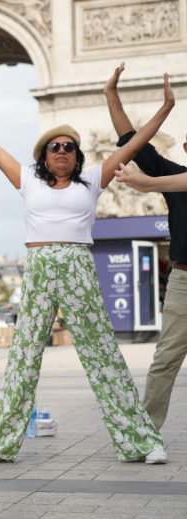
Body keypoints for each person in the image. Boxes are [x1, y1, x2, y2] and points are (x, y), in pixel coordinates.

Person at [0, 67, 172, 465]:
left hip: (76, 264)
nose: (61, 151)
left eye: (68, 146)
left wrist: (166, 107)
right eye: (54, 146)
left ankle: (141, 442)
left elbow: (136, 142)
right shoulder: (27, 180)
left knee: (102, 352)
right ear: (44, 154)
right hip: (37, 266)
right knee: (23, 356)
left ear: (77, 155)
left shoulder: (92, 180)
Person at [104, 63, 187, 430]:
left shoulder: (165, 181)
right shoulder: (171, 175)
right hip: (183, 284)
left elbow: (151, 180)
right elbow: (132, 142)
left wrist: (149, 184)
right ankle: (146, 432)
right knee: (165, 360)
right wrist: (112, 97)